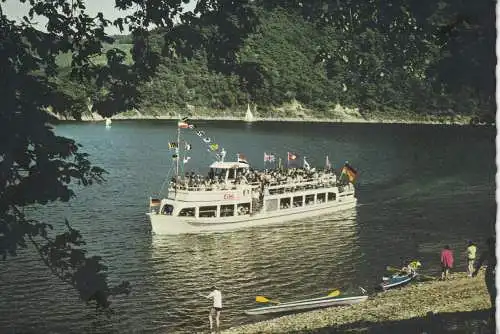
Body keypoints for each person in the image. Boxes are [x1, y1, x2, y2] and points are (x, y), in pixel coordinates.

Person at [472, 237, 496, 317]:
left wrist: (476, 271)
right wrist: (476, 271)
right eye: (490, 245)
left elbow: (480, 262)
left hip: (492, 274)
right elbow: (480, 262)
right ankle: (493, 308)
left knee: (494, 292)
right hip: (490, 275)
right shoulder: (486, 253)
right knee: (492, 293)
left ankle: (494, 308)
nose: (491, 246)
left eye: (492, 244)